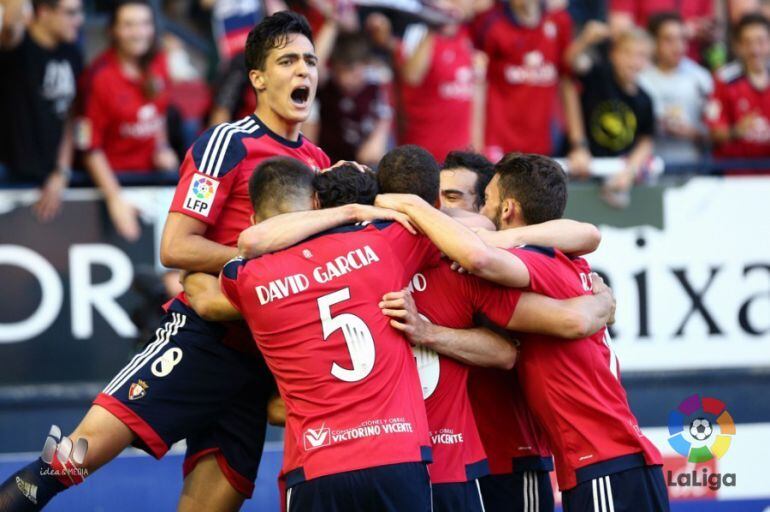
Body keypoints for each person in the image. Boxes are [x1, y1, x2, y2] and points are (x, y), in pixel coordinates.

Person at [0, 12, 330, 512]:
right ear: (258, 79)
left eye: (309, 60)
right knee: (64, 463)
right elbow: (175, 247)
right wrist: (260, 259)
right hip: (201, 344)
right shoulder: (228, 142)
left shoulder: (319, 163)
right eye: (287, 61)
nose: (303, 71)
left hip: (260, 361)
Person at [187, 156, 614, 512]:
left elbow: (238, 256)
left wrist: (428, 331)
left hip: (330, 463)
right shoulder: (404, 247)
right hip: (407, 461)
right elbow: (574, 247)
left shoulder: (253, 279)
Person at [374, 153, 667, 512]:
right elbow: (587, 235)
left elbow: (564, 311)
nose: (477, 211)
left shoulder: (526, 262)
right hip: (602, 461)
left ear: (507, 209)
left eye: (483, 200)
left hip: (600, 462)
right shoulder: (561, 257)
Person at [77, 0, 177, 242]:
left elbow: (158, 112)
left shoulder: (159, 62)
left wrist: (162, 147)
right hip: (115, 185)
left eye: (145, 24)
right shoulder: (98, 78)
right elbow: (89, 147)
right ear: (113, 30)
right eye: (129, 25)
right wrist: (115, 199)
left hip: (154, 183)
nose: (138, 32)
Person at [470, 0, 587, 171]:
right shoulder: (488, 22)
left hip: (541, 147)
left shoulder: (559, 21)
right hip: (497, 147)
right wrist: (475, 145)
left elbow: (567, 83)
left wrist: (579, 145)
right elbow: (476, 86)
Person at [0, 0, 83, 221]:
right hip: (9, 175)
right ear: (44, 12)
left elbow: (70, 118)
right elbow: (9, 24)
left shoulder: (72, 53)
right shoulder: (18, 46)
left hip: (50, 179)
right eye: (71, 13)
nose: (79, 20)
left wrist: (62, 172)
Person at [367, 0, 480, 162]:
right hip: (421, 154)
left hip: (461, 155)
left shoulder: (469, 36)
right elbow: (412, 76)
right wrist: (432, 27)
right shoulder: (418, 33)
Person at [569, 28, 655, 207]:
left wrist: (629, 171)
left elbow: (646, 140)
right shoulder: (599, 76)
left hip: (616, 175)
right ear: (614, 54)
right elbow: (571, 62)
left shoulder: (645, 99)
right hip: (582, 167)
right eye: (628, 53)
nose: (634, 61)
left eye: (641, 56)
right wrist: (585, 39)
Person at [638, 12, 713, 164]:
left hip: (694, 164)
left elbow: (717, 130)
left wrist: (695, 133)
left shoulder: (702, 78)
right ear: (653, 42)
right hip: (649, 164)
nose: (677, 46)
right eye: (668, 39)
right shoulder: (640, 79)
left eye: (682, 38)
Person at [316, 33, 391, 166]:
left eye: (351, 71)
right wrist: (331, 24)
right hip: (330, 161)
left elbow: (385, 114)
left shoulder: (376, 83)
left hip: (366, 160)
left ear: (365, 65)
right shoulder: (326, 85)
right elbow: (315, 66)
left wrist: (377, 139)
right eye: (339, 71)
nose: (344, 79)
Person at [706, 14, 770, 159]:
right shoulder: (724, 80)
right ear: (738, 46)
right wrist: (736, 132)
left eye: (761, 41)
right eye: (748, 42)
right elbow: (713, 131)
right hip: (734, 173)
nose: (755, 50)